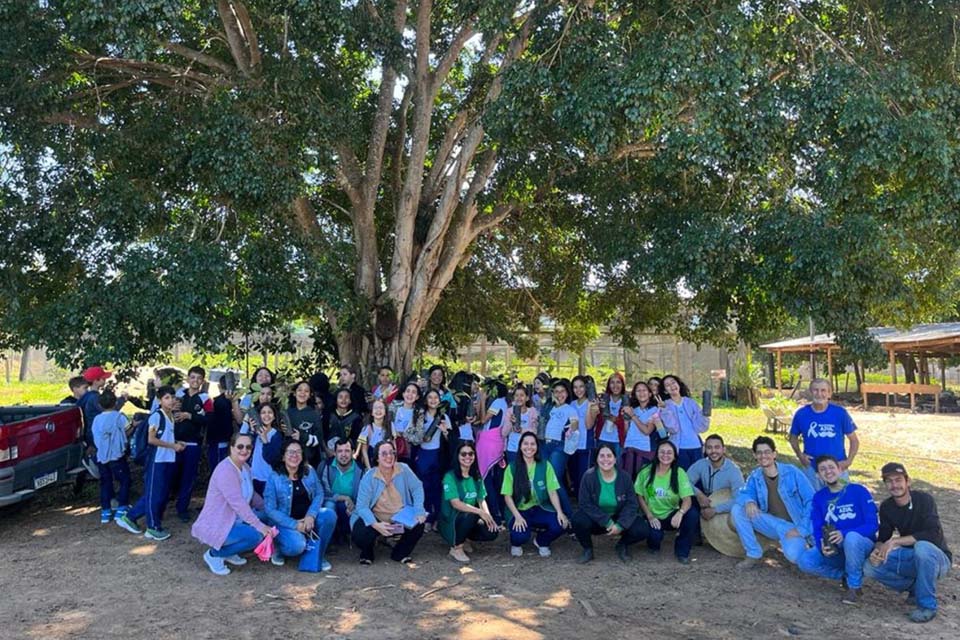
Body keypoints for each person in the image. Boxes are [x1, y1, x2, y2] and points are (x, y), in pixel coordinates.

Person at [863, 462, 952, 623]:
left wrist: (896, 541)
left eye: (898, 480)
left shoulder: (925, 500)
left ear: (907, 481)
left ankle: (927, 606)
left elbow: (932, 533)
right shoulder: (887, 507)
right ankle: (915, 587)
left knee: (922, 547)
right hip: (910, 556)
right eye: (889, 481)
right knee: (869, 567)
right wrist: (877, 552)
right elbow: (883, 538)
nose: (894, 485)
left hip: (937, 558)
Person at [796, 455, 878, 605]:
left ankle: (854, 588)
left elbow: (872, 525)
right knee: (805, 560)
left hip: (861, 545)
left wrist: (844, 534)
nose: (828, 472)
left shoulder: (858, 491)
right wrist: (822, 545)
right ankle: (845, 575)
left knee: (852, 538)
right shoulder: (819, 497)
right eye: (823, 469)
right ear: (818, 476)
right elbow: (817, 526)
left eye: (831, 467)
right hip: (836, 547)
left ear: (840, 469)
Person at [191, 433, 276, 576]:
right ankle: (214, 554)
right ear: (231, 448)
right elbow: (239, 504)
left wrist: (270, 509)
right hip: (220, 523)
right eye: (240, 446)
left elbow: (252, 495)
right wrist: (260, 526)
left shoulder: (246, 468)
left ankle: (230, 552)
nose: (244, 450)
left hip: (236, 520)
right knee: (256, 536)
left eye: (248, 447)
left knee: (268, 516)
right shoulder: (226, 470)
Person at [732, 436, 814, 569]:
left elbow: (811, 500)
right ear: (754, 455)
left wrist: (802, 529)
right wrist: (749, 500)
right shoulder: (755, 476)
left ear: (774, 454)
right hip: (771, 523)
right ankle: (753, 553)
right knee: (738, 510)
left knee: (794, 556)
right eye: (759, 452)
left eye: (767, 452)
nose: (763, 456)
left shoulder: (792, 472)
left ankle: (807, 546)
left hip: (794, 526)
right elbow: (743, 493)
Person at [116, 386, 185, 541]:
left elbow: (166, 436)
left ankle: (130, 517)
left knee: (158, 493)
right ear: (160, 400)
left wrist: (176, 443)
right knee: (155, 494)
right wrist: (173, 446)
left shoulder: (170, 416)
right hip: (157, 460)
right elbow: (151, 439)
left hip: (167, 458)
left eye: (172, 397)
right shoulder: (157, 416)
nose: (171, 400)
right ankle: (152, 526)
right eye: (167, 398)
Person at [263, 439, 337, 570]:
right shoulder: (274, 477)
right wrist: (295, 525)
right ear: (283, 456)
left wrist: (311, 515)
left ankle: (318, 554)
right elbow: (270, 509)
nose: (295, 456)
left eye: (298, 452)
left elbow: (319, 493)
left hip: (308, 519)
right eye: (290, 452)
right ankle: (279, 548)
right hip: (286, 522)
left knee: (329, 514)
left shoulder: (309, 471)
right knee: (297, 545)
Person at [351, 440, 427, 564]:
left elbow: (417, 487)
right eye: (384, 454)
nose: (389, 456)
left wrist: (419, 510)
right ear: (377, 458)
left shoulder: (404, 469)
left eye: (392, 453)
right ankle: (367, 552)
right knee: (360, 534)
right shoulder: (369, 476)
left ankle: (400, 553)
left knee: (419, 524)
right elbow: (362, 506)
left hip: (401, 517)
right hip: (378, 518)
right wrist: (375, 524)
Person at [572, 444, 650, 563]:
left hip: (618, 516)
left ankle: (622, 545)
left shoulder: (624, 477)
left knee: (642, 529)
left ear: (615, 459)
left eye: (609, 456)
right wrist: (606, 521)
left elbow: (632, 504)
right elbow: (585, 503)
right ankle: (588, 549)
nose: (605, 459)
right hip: (598, 519)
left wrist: (620, 525)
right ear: (596, 459)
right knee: (578, 520)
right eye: (601, 456)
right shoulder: (589, 476)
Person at [501, 433, 569, 558]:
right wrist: (517, 516)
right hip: (519, 510)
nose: (529, 447)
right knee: (520, 535)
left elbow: (552, 491)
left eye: (533, 444)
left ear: (537, 447)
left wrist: (559, 511)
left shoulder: (545, 465)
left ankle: (541, 541)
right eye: (525, 443)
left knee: (561, 524)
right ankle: (515, 543)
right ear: (520, 446)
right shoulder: (512, 467)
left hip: (540, 507)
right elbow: (507, 496)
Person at [634, 440, 698, 564]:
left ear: (674, 456)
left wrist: (680, 512)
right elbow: (640, 495)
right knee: (655, 539)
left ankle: (682, 551)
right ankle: (653, 543)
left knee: (692, 514)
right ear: (657, 454)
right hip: (652, 516)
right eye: (662, 452)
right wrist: (650, 516)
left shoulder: (679, 473)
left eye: (669, 452)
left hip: (671, 515)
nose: (665, 455)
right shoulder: (646, 472)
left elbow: (687, 499)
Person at [789, 378, 860, 490]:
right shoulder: (801, 414)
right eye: (816, 390)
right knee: (814, 502)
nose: (819, 394)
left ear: (829, 393)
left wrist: (848, 461)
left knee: (841, 502)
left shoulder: (840, 413)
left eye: (823, 390)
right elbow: (793, 437)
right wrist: (800, 455)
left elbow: (854, 440)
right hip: (812, 469)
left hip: (837, 468)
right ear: (810, 392)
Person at [440, 442, 499, 563]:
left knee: (491, 531)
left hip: (468, 516)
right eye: (464, 454)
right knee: (472, 514)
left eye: (471, 453)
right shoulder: (450, 476)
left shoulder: (476, 476)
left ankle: (464, 538)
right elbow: (455, 503)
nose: (468, 457)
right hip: (451, 519)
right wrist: (479, 512)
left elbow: (481, 499)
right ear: (457, 456)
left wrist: (488, 516)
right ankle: (456, 548)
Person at [172, 366, 213, 523]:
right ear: (188, 379)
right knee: (172, 474)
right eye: (192, 377)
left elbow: (210, 419)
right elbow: (165, 410)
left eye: (199, 378)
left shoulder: (205, 398)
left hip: (193, 443)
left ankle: (182, 508)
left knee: (188, 477)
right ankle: (165, 504)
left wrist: (191, 416)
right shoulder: (179, 394)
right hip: (175, 442)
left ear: (202, 381)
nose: (195, 381)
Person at [90, 390, 132, 524]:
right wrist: (135, 427)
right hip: (116, 454)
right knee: (124, 480)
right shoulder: (119, 417)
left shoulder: (97, 419)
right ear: (115, 403)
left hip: (102, 455)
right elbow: (127, 430)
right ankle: (122, 507)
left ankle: (105, 511)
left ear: (100, 405)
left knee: (105, 483)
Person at [412, 389, 452, 530]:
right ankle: (427, 518)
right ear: (426, 400)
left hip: (438, 455)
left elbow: (450, 440)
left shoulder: (444, 417)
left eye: (436, 397)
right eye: (430, 397)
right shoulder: (420, 416)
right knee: (424, 487)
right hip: (423, 454)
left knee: (437, 487)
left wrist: (445, 431)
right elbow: (413, 436)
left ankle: (437, 519)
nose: (433, 400)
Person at [541, 379, 578, 518]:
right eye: (556, 392)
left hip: (559, 445)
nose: (559, 394)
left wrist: (571, 430)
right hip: (545, 445)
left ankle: (569, 515)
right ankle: (554, 511)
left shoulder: (570, 409)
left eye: (562, 391)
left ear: (567, 393)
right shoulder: (549, 408)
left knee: (555, 479)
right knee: (547, 478)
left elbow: (574, 423)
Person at [686, 434, 744, 520]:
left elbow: (740, 499)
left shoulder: (734, 471)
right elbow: (684, 481)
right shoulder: (701, 464)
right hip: (705, 501)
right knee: (690, 511)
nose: (713, 451)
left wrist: (715, 510)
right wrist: (698, 494)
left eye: (717, 447)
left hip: (725, 507)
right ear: (705, 449)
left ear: (723, 449)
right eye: (709, 447)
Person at [658, 374, 708, 470]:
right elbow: (673, 429)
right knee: (682, 477)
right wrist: (665, 410)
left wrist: (704, 414)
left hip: (696, 446)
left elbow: (701, 427)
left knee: (698, 478)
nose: (672, 386)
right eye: (667, 385)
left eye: (673, 382)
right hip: (678, 448)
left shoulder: (691, 402)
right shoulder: (666, 405)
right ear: (665, 391)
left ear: (679, 384)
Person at [321, 438, 363, 544]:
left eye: (347, 451)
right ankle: (328, 541)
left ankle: (346, 534)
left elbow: (364, 495)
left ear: (353, 452)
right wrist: (343, 497)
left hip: (352, 506)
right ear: (334, 453)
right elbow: (321, 493)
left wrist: (355, 505)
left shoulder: (360, 470)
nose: (343, 454)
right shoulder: (325, 467)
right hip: (331, 503)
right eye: (340, 451)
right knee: (329, 506)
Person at [239, 403, 283, 497]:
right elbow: (243, 446)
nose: (266, 415)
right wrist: (251, 431)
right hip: (253, 477)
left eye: (270, 412)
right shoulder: (256, 433)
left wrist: (265, 441)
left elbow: (271, 458)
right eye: (263, 413)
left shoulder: (276, 435)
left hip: (268, 479)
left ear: (274, 416)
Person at [620, 381, 662, 478]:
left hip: (645, 450)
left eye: (644, 390)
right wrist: (626, 420)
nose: (641, 393)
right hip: (629, 447)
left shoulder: (655, 410)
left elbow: (647, 431)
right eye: (638, 391)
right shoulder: (633, 409)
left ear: (650, 394)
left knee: (643, 481)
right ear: (634, 394)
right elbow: (626, 433)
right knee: (628, 479)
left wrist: (633, 416)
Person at [286, 380, 324, 467]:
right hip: (289, 459)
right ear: (294, 393)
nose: (302, 393)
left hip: (309, 460)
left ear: (310, 395)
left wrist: (302, 436)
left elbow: (319, 439)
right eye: (299, 390)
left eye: (306, 391)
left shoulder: (314, 414)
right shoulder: (287, 413)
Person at [569, 376, 595, 497]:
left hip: (586, 445)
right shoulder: (571, 404)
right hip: (572, 445)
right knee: (575, 476)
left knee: (585, 475)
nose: (578, 390)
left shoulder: (593, 404)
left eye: (581, 386)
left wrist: (589, 406)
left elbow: (589, 425)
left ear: (586, 387)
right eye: (575, 387)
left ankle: (586, 502)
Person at [207, 376, 237, 473]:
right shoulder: (226, 402)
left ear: (219, 386)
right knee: (219, 468)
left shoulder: (217, 401)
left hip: (219, 440)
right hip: (220, 439)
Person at [595, 372, 628, 459]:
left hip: (618, 440)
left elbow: (627, 422)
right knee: (601, 465)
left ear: (622, 384)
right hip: (602, 438)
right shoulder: (603, 399)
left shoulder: (627, 401)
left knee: (617, 466)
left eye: (618, 382)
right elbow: (596, 419)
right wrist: (598, 408)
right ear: (609, 385)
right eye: (612, 382)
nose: (615, 385)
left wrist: (615, 420)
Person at [390, 382, 420, 464]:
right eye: (408, 391)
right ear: (403, 394)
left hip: (409, 451)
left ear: (417, 397)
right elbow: (386, 422)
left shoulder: (419, 412)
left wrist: (403, 434)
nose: (410, 394)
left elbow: (418, 438)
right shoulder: (394, 406)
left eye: (414, 392)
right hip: (391, 446)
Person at [358, 399, 393, 469]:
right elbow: (364, 450)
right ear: (371, 412)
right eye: (376, 408)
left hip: (387, 457)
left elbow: (394, 445)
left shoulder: (391, 425)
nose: (378, 410)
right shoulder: (367, 428)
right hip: (372, 458)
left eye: (381, 408)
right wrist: (369, 467)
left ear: (385, 412)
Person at [326, 388, 363, 453]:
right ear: (336, 400)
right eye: (340, 397)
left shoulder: (356, 417)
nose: (343, 400)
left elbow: (356, 438)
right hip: (329, 451)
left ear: (350, 400)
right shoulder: (329, 415)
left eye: (346, 397)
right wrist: (327, 450)